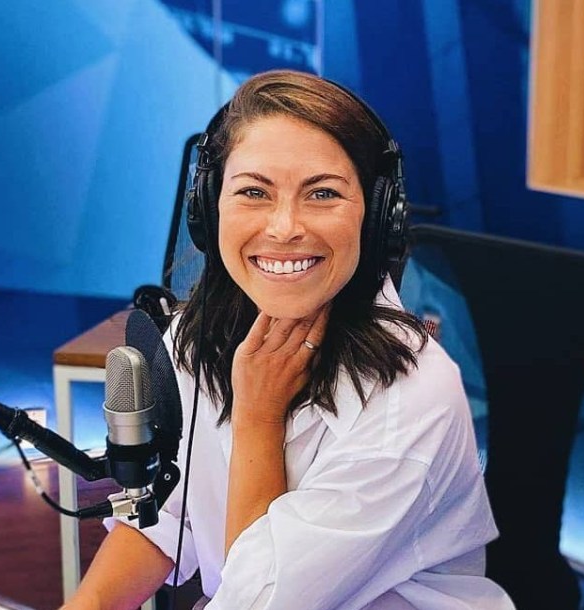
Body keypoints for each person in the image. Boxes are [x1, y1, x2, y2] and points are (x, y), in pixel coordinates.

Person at [64, 70, 514, 609]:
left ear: (376, 218)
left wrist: (257, 414)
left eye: (322, 193)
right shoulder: (197, 334)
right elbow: (171, 516)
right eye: (254, 191)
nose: (283, 227)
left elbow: (259, 600)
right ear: (209, 209)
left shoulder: (409, 402)